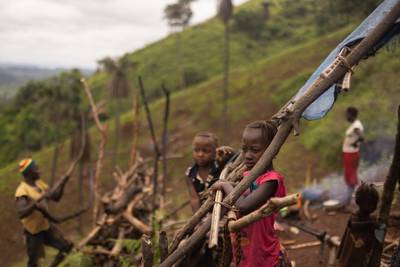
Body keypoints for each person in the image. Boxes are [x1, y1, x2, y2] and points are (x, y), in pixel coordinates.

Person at [211, 121, 288, 267]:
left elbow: (243, 206)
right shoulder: (249, 176)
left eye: (255, 150)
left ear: (273, 151)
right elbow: (241, 191)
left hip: (263, 254)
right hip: (245, 249)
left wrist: (225, 184)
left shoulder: (271, 181)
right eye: (245, 150)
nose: (247, 155)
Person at [15, 159, 72, 267]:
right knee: (33, 264)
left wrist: (64, 182)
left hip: (46, 227)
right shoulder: (22, 190)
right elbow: (21, 212)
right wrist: (36, 203)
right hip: (33, 232)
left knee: (66, 247)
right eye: (36, 168)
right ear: (29, 172)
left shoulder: (39, 184)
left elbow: (55, 197)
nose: (39, 171)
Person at [185, 132, 234, 213]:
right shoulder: (190, 173)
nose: (200, 154)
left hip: (223, 209)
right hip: (205, 213)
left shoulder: (220, 165)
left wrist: (226, 150)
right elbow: (194, 198)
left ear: (215, 151)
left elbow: (233, 155)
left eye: (205, 151)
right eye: (196, 150)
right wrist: (198, 220)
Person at [342, 107, 364, 204]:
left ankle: (349, 199)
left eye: (347, 114)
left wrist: (354, 143)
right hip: (349, 153)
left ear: (351, 115)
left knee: (351, 176)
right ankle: (352, 197)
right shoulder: (355, 125)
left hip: (351, 154)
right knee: (350, 175)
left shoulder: (356, 125)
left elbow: (361, 137)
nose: (346, 116)